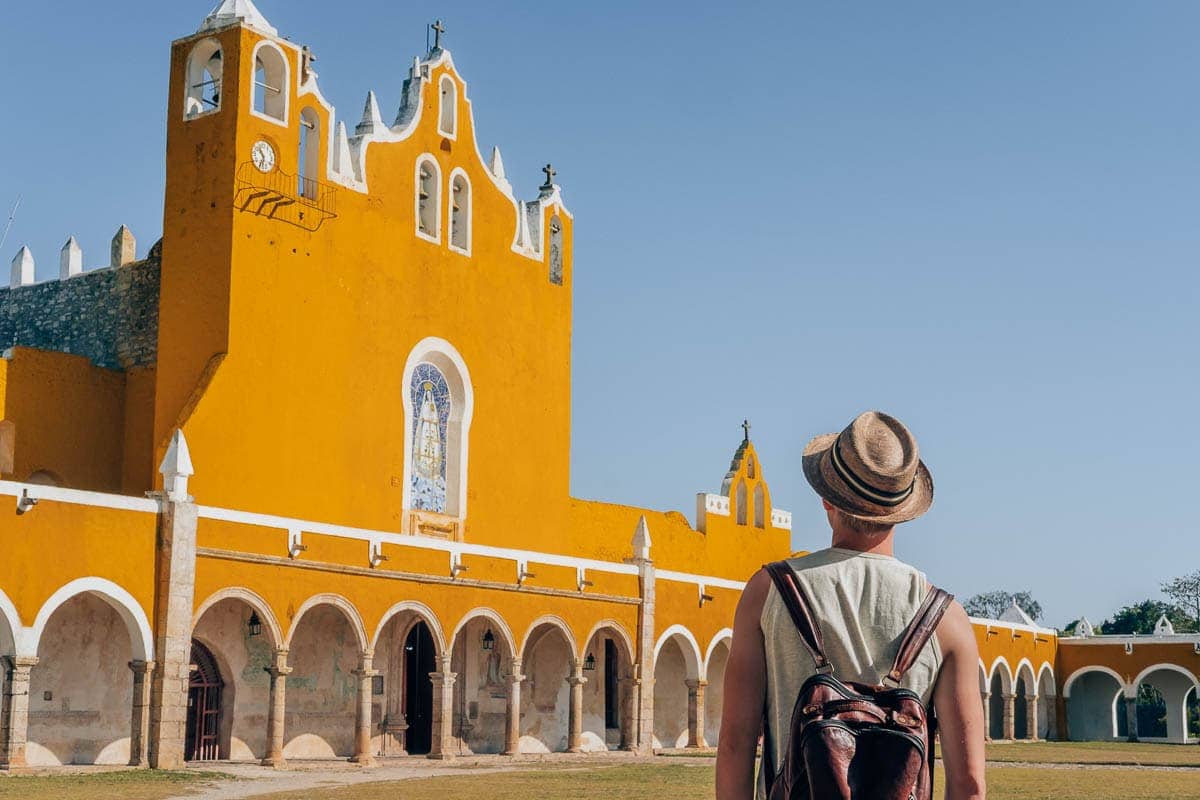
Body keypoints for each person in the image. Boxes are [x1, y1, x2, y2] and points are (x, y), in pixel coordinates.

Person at [715, 411, 986, 800]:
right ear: (903, 511)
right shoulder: (946, 619)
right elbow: (970, 785)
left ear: (826, 498)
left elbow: (735, 744)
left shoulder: (768, 591)